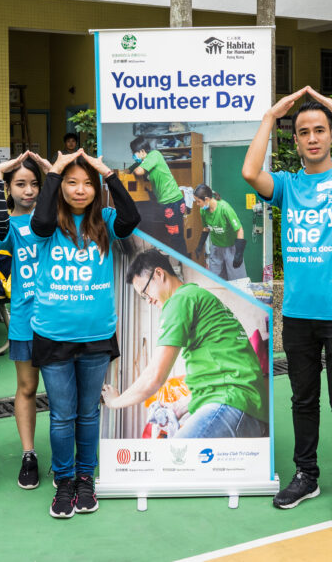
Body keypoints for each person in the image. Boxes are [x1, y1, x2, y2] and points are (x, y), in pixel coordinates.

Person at [242, 86, 332, 525]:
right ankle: (306, 475)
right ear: (297, 141)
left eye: (320, 130)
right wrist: (270, 118)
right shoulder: (286, 185)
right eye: (304, 132)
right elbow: (251, 173)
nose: (313, 138)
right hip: (300, 314)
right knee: (302, 400)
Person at [29, 149, 140, 518]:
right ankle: (63, 483)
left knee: (88, 413)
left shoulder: (106, 221)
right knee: (62, 415)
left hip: (96, 334)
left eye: (87, 183)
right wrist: (55, 172)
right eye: (72, 183)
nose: (79, 190)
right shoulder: (47, 224)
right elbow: (41, 221)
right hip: (53, 333)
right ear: (61, 186)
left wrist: (107, 173)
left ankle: (84, 478)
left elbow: (132, 216)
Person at [102, 248, 268, 437]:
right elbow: (218, 373)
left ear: (159, 274)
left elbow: (154, 377)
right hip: (246, 406)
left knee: (173, 461)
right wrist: (180, 407)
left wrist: (115, 401)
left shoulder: (179, 300)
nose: (148, 301)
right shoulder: (195, 296)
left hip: (232, 402)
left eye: (146, 292)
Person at [0, 150, 52, 489]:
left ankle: (63, 456)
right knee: (27, 388)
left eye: (35, 185)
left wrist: (52, 172)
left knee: (60, 391)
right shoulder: (9, 225)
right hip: (25, 318)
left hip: (60, 317)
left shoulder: (56, 218)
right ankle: (29, 453)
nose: (28, 191)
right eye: (20, 185)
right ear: (10, 189)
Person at [129, 136, 188, 257]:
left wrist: (135, 167)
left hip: (173, 201)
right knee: (172, 233)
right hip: (166, 202)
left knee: (176, 235)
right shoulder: (147, 163)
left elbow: (138, 171)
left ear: (142, 151)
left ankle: (183, 262)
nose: (133, 156)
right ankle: (178, 259)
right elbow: (132, 169)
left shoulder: (154, 155)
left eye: (134, 153)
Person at [192, 183, 248, 280]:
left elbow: (239, 229)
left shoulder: (225, 208)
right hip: (216, 249)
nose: (197, 204)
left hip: (231, 248)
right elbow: (206, 228)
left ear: (206, 199)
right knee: (215, 280)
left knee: (238, 281)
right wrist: (200, 246)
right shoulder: (203, 211)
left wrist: (239, 253)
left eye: (198, 201)